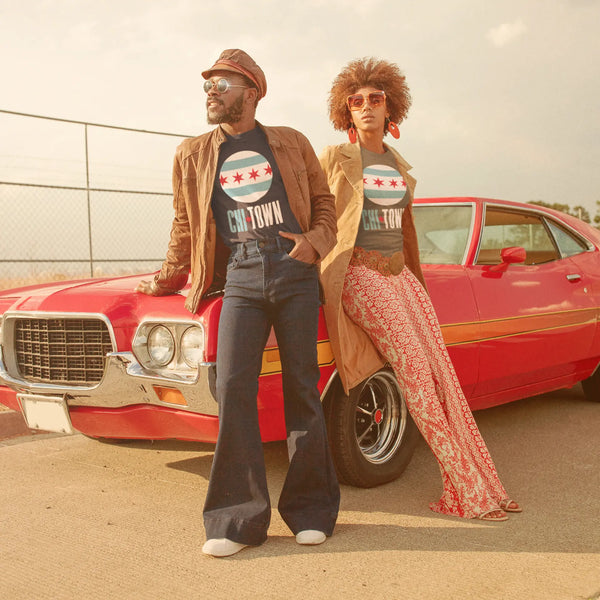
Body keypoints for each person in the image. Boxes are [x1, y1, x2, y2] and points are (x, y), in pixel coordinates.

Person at [137, 49, 340, 556]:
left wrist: (314, 242)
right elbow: (185, 222)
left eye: (223, 83)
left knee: (302, 387)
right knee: (231, 387)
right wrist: (167, 277)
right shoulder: (193, 153)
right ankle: (235, 520)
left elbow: (324, 202)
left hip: (294, 267)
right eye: (208, 84)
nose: (211, 90)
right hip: (240, 277)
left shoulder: (291, 142)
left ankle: (311, 511)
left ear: (251, 92)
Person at [318, 57, 521, 521]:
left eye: (375, 98)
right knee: (416, 380)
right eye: (356, 101)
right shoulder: (335, 158)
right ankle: (468, 492)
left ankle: (484, 483)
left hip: (402, 276)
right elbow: (312, 210)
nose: (366, 106)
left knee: (442, 378)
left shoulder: (398, 164)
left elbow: (404, 232)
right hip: (360, 274)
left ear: (392, 108)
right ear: (345, 111)